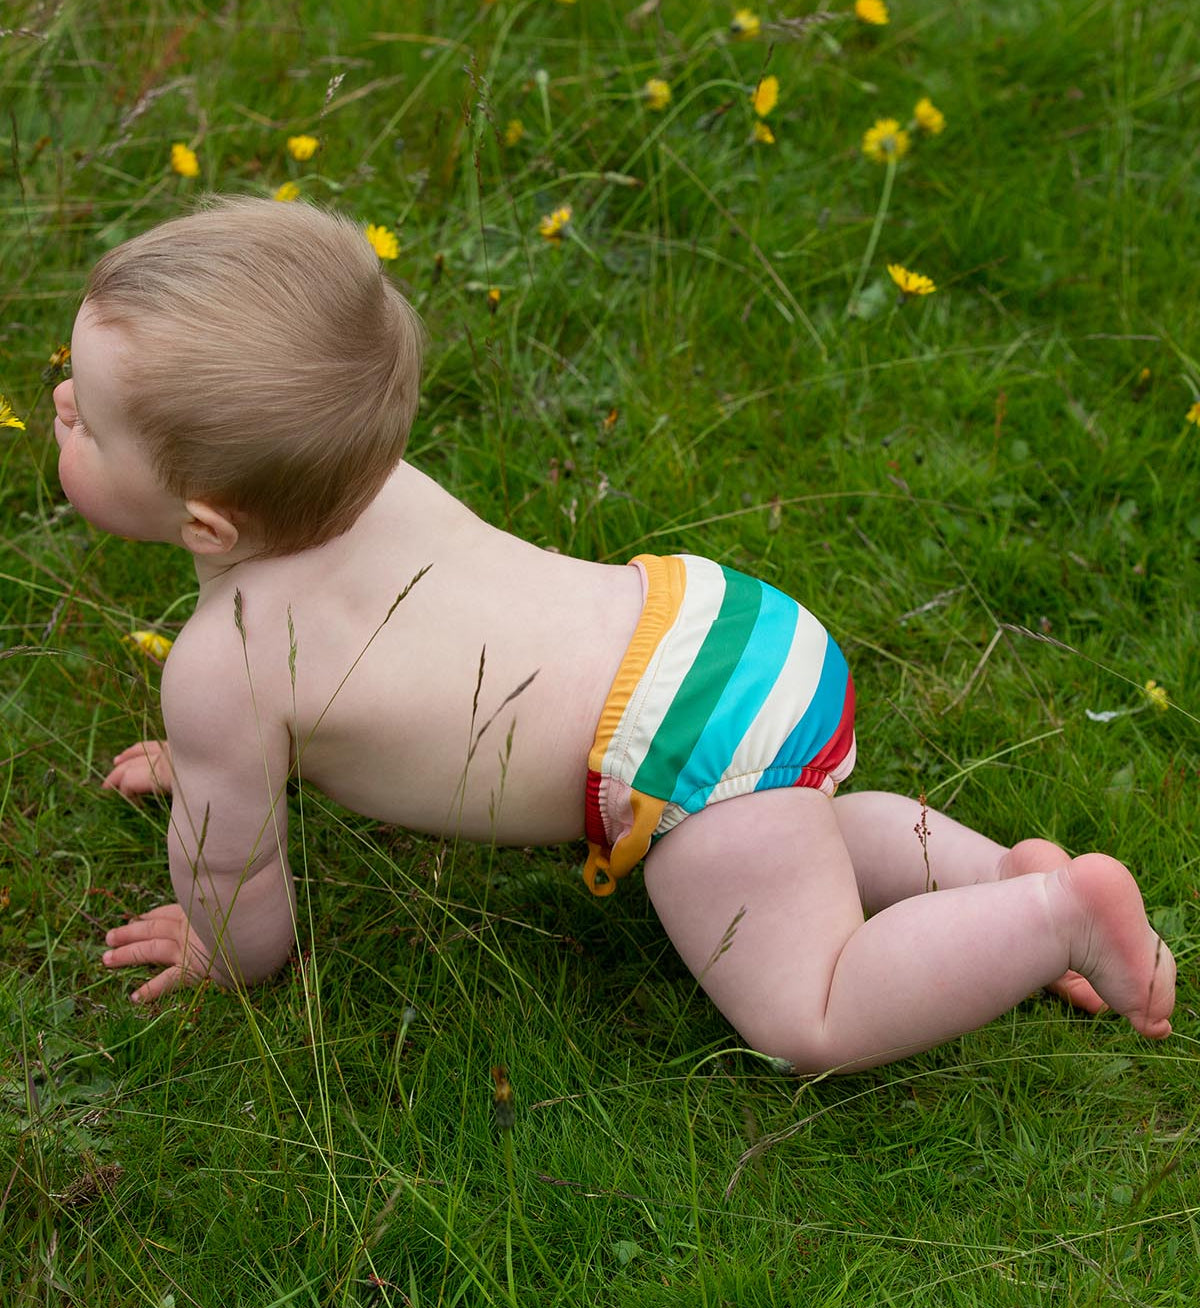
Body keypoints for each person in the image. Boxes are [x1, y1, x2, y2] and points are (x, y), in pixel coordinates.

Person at [55, 197, 1174, 1075]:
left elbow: (246, 919)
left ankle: (1052, 918)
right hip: (718, 624)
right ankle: (994, 873)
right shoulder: (371, 477)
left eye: (85, 420)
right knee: (797, 826)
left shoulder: (224, 670)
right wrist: (218, 764)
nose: (58, 403)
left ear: (207, 522)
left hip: (677, 749)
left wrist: (213, 937)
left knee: (811, 1012)